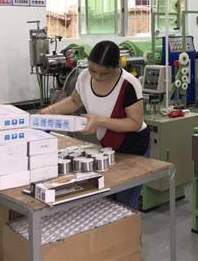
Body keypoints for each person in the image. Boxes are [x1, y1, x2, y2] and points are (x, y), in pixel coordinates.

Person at [40, 40, 148, 209]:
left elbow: (135, 123)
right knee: (108, 195)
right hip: (108, 144)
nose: (97, 76)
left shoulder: (128, 84)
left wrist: (100, 121)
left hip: (133, 146)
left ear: (116, 67)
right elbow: (75, 101)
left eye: (104, 73)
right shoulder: (84, 77)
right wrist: (50, 110)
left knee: (125, 201)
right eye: (92, 70)